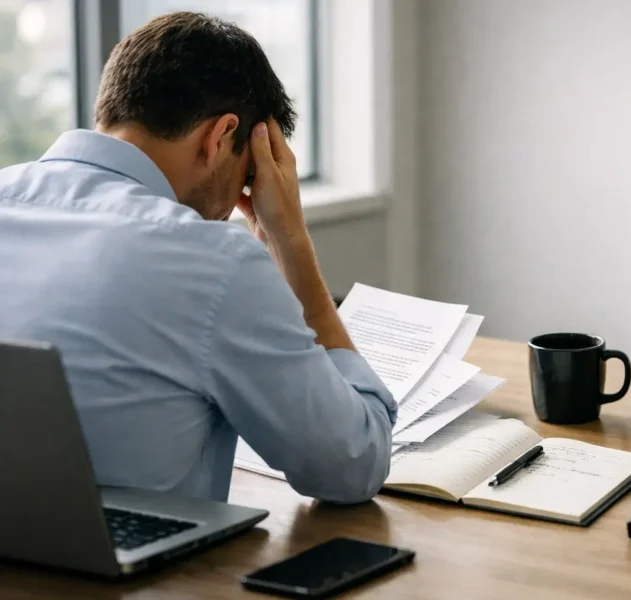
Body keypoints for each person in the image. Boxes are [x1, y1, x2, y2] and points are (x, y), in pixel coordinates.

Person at [0, 12, 396, 503]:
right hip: (136, 579)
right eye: (248, 172)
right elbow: (351, 464)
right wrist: (290, 244)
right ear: (219, 136)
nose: (240, 198)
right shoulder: (214, 262)